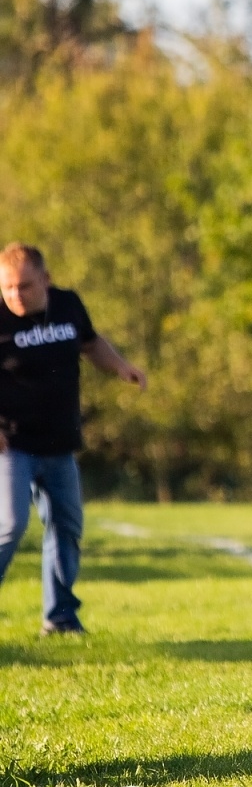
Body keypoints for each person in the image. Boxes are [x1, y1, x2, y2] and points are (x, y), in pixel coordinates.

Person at [0, 244, 146, 635]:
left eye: (25, 286)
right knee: (10, 527)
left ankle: (60, 617)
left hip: (60, 442)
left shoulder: (67, 305)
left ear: (46, 280)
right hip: (12, 444)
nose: (15, 295)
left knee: (67, 527)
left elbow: (90, 343)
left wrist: (119, 367)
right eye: (8, 288)